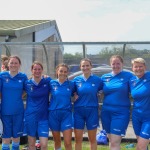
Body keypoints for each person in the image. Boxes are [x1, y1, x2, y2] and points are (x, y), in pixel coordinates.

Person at [100, 55, 133, 150]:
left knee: (115, 142)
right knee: (111, 141)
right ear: (110, 65)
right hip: (106, 112)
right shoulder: (104, 77)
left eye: (118, 63)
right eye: (113, 63)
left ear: (122, 64)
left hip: (120, 113)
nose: (116, 66)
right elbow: (96, 90)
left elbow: (137, 89)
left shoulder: (129, 76)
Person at [73, 58, 103, 150]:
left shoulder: (98, 80)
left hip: (92, 111)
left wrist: (100, 92)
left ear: (91, 66)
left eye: (87, 65)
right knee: (78, 139)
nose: (85, 67)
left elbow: (102, 90)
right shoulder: (76, 80)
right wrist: (74, 94)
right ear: (80, 67)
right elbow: (71, 91)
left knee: (92, 139)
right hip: (78, 111)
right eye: (83, 66)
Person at [0, 55, 28, 150]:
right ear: (8, 64)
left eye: (16, 63)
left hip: (18, 111)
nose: (13, 65)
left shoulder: (23, 76)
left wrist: (20, 96)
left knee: (16, 137)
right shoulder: (2, 76)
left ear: (19, 65)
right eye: (11, 63)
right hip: (5, 111)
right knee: (6, 138)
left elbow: (26, 90)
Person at [24, 61, 51, 150]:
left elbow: (58, 90)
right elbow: (18, 94)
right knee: (31, 145)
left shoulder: (47, 81)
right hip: (30, 117)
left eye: (39, 69)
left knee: (43, 145)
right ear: (32, 70)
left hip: (43, 118)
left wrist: (75, 93)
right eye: (35, 69)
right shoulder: (27, 83)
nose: (37, 71)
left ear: (42, 70)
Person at [48, 63, 75, 150]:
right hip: (53, 114)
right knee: (57, 141)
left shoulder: (71, 84)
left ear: (68, 73)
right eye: (61, 71)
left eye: (65, 71)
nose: (63, 73)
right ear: (57, 71)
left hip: (66, 115)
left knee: (67, 142)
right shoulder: (51, 83)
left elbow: (79, 92)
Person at [129, 58, 150, 150]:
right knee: (142, 145)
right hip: (136, 116)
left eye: (140, 66)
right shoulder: (131, 81)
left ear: (145, 67)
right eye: (136, 67)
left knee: (141, 146)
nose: (138, 69)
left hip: (148, 117)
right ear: (132, 68)